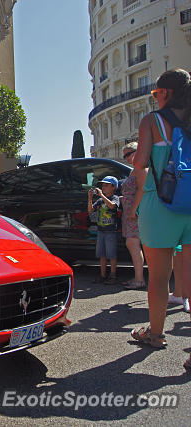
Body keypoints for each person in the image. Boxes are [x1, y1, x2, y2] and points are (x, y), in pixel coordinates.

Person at [129, 69, 191, 360]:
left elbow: (140, 164)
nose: (155, 98)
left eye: (156, 94)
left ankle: (155, 335)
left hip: (160, 203)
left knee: (158, 277)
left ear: (165, 93)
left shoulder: (152, 121)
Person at [120, 142, 146, 290]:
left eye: (128, 154)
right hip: (131, 212)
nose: (126, 158)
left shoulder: (140, 168)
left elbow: (142, 189)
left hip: (135, 213)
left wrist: (133, 210)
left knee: (133, 243)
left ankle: (139, 279)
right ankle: (138, 278)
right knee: (133, 244)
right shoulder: (135, 169)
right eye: (124, 155)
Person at [88, 176, 120, 285]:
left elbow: (112, 206)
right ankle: (102, 275)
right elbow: (91, 209)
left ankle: (113, 275)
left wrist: (101, 195)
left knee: (111, 254)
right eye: (103, 185)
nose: (103, 187)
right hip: (101, 230)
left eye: (106, 185)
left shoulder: (115, 198)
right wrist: (90, 198)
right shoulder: (100, 200)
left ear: (113, 187)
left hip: (111, 231)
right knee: (101, 254)